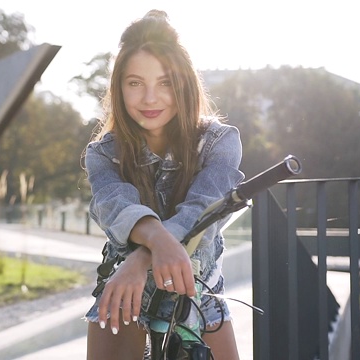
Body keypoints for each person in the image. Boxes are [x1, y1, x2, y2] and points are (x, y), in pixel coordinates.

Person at [82, 9, 244, 360]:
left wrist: (143, 256)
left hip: (198, 291)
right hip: (126, 291)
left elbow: (204, 209)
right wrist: (154, 245)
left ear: (183, 83)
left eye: (165, 82)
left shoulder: (219, 142)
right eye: (135, 83)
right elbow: (115, 205)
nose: (150, 98)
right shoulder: (103, 152)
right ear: (119, 87)